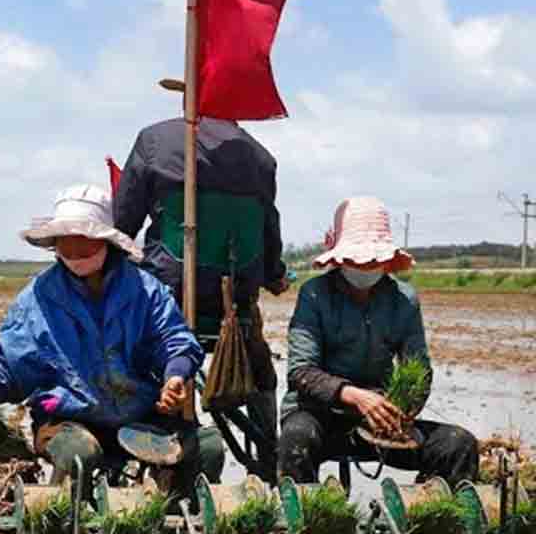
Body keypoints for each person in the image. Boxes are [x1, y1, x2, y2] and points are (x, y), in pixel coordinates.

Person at [0, 184, 225, 501]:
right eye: (66, 245)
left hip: (140, 414)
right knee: (80, 455)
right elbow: (8, 363)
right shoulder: (39, 298)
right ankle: (69, 530)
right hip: (69, 418)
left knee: (208, 447)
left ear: (105, 242)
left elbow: (175, 339)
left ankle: (176, 520)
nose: (76, 253)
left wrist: (174, 377)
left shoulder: (144, 290)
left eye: (84, 243)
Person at [112, 77, 289, 452]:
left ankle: (131, 424)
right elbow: (269, 228)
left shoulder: (154, 141)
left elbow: (122, 224)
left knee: (121, 339)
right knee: (260, 361)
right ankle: (268, 442)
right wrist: (274, 275)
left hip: (167, 298)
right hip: (235, 303)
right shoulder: (261, 157)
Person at [277, 196, 478, 487]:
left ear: (385, 260)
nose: (365, 265)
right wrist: (356, 397)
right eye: (358, 259)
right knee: (296, 440)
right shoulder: (314, 295)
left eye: (373, 259)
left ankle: (434, 520)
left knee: (458, 444)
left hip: (382, 421)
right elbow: (300, 372)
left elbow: (418, 369)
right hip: (321, 417)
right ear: (339, 257)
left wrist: (403, 409)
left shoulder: (403, 300)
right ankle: (305, 524)